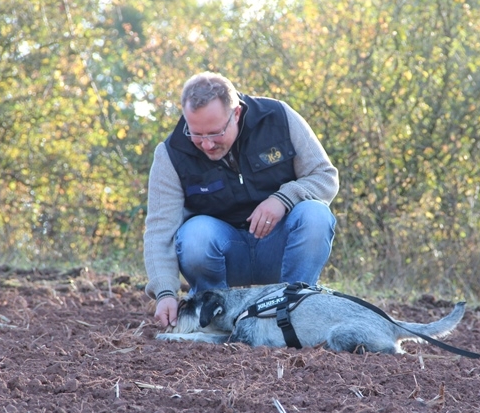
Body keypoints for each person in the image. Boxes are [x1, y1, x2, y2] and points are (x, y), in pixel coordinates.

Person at [144, 72, 339, 329]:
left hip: (279, 248)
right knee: (194, 234)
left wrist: (283, 199)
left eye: (215, 133)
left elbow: (325, 176)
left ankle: (294, 312)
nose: (207, 144)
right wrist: (165, 293)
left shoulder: (279, 117)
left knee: (316, 215)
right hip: (222, 254)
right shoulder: (170, 154)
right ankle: (214, 320)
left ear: (236, 113)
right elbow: (159, 231)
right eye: (196, 134)